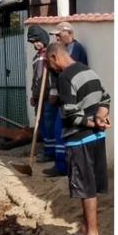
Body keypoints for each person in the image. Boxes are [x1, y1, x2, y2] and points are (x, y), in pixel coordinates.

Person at [45, 42, 111, 235]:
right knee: (89, 187)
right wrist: (100, 119)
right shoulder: (89, 72)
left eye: (49, 63)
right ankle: (85, 230)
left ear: (55, 57)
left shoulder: (65, 78)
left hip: (79, 139)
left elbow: (71, 115)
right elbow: (105, 98)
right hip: (96, 138)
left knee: (85, 188)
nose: (51, 68)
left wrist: (92, 122)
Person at [46, 22, 88, 176]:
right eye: (55, 35)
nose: (56, 38)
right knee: (58, 130)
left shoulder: (77, 50)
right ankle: (60, 164)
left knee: (63, 129)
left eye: (59, 35)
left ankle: (64, 166)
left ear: (69, 33)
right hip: (63, 97)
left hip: (72, 98)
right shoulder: (62, 50)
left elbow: (77, 74)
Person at [27, 25, 55, 163]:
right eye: (33, 42)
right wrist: (33, 95)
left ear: (43, 39)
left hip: (49, 96)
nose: (35, 44)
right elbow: (35, 79)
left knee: (49, 124)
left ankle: (51, 152)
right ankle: (47, 149)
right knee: (42, 125)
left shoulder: (50, 54)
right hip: (39, 97)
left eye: (37, 40)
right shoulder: (36, 58)